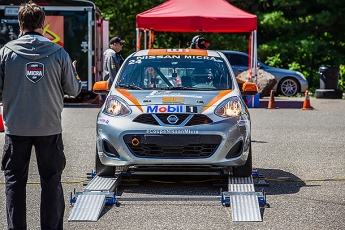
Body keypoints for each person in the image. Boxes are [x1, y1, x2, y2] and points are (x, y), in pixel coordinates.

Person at [0, 1, 81, 229]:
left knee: (14, 183)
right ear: (43, 24)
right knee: (51, 183)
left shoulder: (6, 52)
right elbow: (74, 90)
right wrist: (73, 71)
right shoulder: (59, 52)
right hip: (49, 128)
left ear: (19, 23)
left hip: (16, 129)